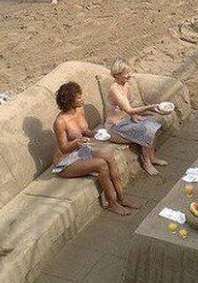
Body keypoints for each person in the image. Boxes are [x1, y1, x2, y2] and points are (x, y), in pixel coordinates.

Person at [52, 81, 140, 216]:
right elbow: (64, 148)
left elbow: (85, 131)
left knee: (109, 157)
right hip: (65, 162)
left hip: (79, 153)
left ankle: (122, 197)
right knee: (101, 164)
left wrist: (95, 134)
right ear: (69, 101)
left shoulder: (79, 110)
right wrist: (76, 143)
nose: (82, 99)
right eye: (78, 98)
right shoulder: (60, 122)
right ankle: (112, 203)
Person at [106, 59, 168, 176]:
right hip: (115, 127)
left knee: (153, 125)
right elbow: (129, 110)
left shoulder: (126, 86)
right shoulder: (114, 89)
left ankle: (152, 157)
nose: (129, 75)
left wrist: (136, 115)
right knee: (146, 130)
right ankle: (146, 163)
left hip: (126, 120)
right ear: (117, 75)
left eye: (129, 72)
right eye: (126, 73)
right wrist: (149, 107)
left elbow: (129, 108)